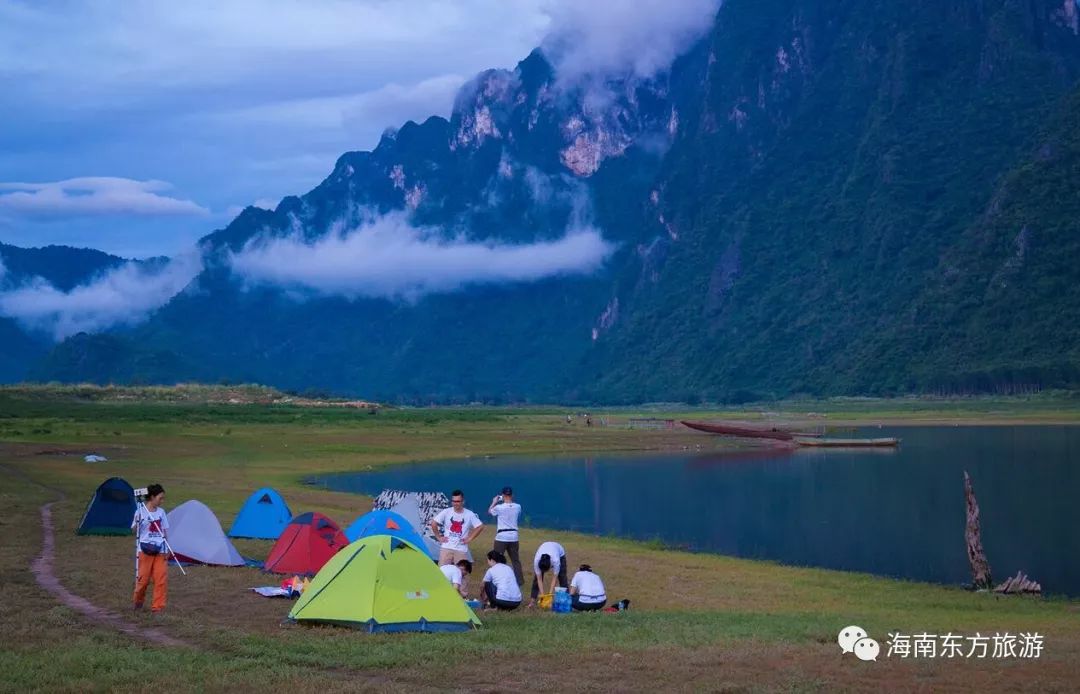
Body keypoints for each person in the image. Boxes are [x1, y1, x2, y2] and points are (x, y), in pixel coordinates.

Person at [132, 483, 170, 613]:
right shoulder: (140, 511)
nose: (162, 501)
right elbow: (134, 530)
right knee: (143, 580)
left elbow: (165, 532)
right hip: (144, 550)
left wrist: (167, 549)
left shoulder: (161, 512)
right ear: (152, 497)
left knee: (160, 580)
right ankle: (138, 601)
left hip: (160, 550)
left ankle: (158, 608)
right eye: (160, 498)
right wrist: (138, 522)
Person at [430, 489, 484, 566]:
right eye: (454, 501)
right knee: (443, 572)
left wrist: (470, 538)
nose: (455, 503)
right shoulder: (446, 511)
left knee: (461, 573)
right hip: (446, 547)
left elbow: (480, 526)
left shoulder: (469, 514)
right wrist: (438, 537)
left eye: (458, 501)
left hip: (461, 549)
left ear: (463, 502)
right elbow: (433, 523)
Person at [488, 486, 523, 585]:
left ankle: (496, 579)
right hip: (514, 536)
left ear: (503, 496)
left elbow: (490, 511)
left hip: (502, 536)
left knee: (496, 560)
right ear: (512, 495)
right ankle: (519, 581)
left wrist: (494, 501)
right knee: (515, 560)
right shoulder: (518, 506)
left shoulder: (499, 507)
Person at [527, 540, 567, 607]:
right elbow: (539, 579)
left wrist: (549, 595)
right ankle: (532, 601)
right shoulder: (536, 561)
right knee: (536, 580)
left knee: (562, 577)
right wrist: (543, 596)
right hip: (545, 547)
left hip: (559, 552)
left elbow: (554, 578)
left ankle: (566, 601)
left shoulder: (556, 560)